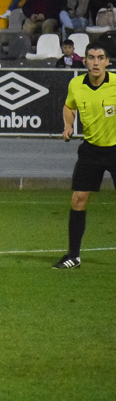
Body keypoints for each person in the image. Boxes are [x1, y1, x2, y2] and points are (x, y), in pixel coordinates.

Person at [54, 43, 116, 269]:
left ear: (108, 62)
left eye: (101, 58)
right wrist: (68, 126)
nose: (96, 62)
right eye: (91, 58)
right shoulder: (76, 85)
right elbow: (69, 106)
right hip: (91, 149)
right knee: (78, 199)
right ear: (85, 61)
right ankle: (73, 255)